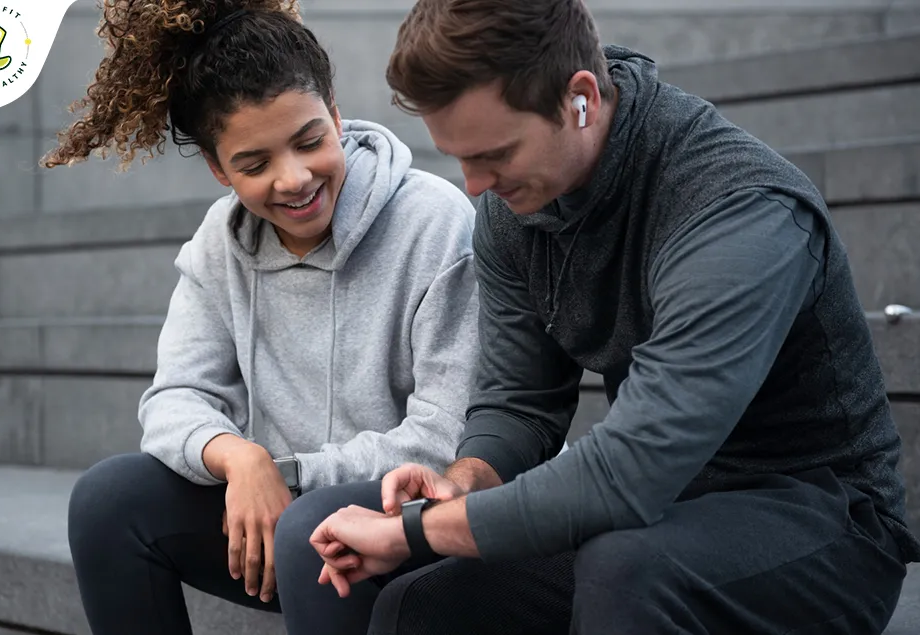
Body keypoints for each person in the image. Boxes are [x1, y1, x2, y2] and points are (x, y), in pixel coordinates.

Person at [307, 1, 920, 633]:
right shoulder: (516, 205)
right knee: (419, 607)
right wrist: (464, 481)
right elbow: (520, 402)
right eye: (458, 157)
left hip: (825, 525)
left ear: (580, 99)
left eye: (495, 154)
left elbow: (632, 469)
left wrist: (419, 531)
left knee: (625, 569)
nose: (473, 186)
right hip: (657, 514)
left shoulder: (740, 209)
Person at [42, 2, 479, 634]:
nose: (294, 178)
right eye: (254, 164)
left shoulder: (435, 223)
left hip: (411, 527)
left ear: (334, 112)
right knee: (110, 500)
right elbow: (174, 399)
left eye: (310, 141)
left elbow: (448, 435)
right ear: (219, 168)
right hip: (285, 525)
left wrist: (287, 477)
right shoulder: (220, 244)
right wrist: (239, 460)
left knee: (313, 527)